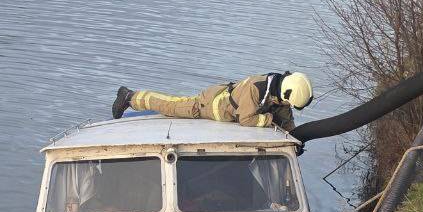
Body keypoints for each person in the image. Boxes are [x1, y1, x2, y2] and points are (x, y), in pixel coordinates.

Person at [111, 72, 314, 133]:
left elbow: (285, 115)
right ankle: (130, 97)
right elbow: (246, 119)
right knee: (171, 106)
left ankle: (131, 96)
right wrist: (269, 118)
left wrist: (292, 136)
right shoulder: (257, 88)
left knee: (173, 104)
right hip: (209, 105)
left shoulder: (278, 91)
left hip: (222, 101)